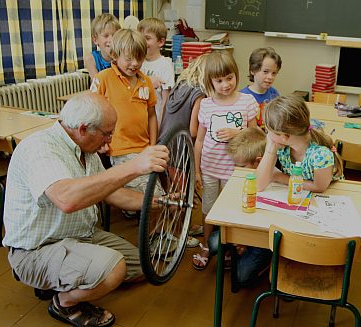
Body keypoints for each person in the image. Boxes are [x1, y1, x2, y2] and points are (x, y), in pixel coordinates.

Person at [2, 93, 169, 327]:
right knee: (114, 270)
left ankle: (60, 279)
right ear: (83, 129)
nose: (109, 142)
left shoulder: (86, 150)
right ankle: (64, 302)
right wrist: (134, 166)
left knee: (143, 266)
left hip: (82, 236)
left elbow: (111, 192)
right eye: (107, 133)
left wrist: (161, 203)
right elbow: (67, 199)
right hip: (37, 249)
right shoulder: (40, 148)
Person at [192, 51, 259, 270]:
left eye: (229, 78)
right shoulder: (206, 105)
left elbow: (255, 134)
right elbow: (199, 140)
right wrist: (197, 171)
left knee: (233, 209)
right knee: (209, 209)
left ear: (236, 75)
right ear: (210, 81)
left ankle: (230, 245)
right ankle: (206, 244)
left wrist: (237, 132)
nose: (225, 85)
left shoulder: (247, 101)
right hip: (210, 167)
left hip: (237, 170)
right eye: (219, 81)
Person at [93, 28, 159, 218]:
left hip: (144, 147)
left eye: (140, 58)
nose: (135, 63)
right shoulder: (103, 79)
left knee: (159, 178)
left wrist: (152, 145)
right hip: (120, 149)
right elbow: (93, 116)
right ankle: (146, 220)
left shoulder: (146, 82)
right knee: (155, 197)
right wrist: (101, 143)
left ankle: (133, 207)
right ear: (115, 55)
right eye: (129, 58)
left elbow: (152, 114)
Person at [209, 127, 273, 286]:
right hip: (242, 227)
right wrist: (238, 239)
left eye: (242, 166)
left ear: (258, 161)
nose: (236, 170)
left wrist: (245, 240)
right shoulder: (241, 175)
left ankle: (268, 258)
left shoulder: (272, 178)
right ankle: (238, 249)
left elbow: (266, 221)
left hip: (261, 237)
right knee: (213, 243)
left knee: (241, 276)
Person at [159, 53, 208, 247]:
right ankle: (179, 234)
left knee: (173, 190)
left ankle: (184, 226)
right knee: (180, 195)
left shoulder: (180, 87)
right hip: (181, 149)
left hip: (166, 143)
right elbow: (194, 129)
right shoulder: (199, 94)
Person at [256, 94, 343, 193]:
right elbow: (258, 185)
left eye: (268, 131)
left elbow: (319, 187)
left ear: (284, 136)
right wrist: (270, 150)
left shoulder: (321, 155)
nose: (268, 136)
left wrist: (279, 177)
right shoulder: (282, 147)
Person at [138, 17, 175, 128]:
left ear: (160, 42)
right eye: (140, 38)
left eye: (147, 38)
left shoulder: (165, 65)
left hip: (154, 120)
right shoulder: (137, 62)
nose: (142, 42)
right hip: (138, 119)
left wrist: (161, 124)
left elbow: (165, 100)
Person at [240, 47, 282, 131]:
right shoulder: (241, 97)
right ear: (253, 70)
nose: (270, 77)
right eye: (265, 71)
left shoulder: (274, 94)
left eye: (274, 73)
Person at [84, 13, 121, 79]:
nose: (111, 39)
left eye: (114, 35)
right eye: (106, 36)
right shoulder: (91, 59)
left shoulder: (122, 57)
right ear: (95, 40)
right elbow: (98, 84)